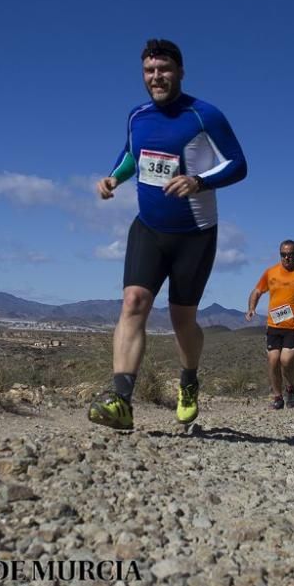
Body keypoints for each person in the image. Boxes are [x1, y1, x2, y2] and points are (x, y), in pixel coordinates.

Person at [88, 39, 248, 430]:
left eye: (163, 70)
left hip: (194, 234)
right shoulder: (137, 115)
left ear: (179, 72)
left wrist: (197, 181)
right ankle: (121, 401)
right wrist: (114, 177)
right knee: (134, 303)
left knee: (182, 320)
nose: (156, 77)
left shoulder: (204, 114)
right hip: (149, 228)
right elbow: (131, 155)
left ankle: (189, 379)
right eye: (149, 71)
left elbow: (238, 164)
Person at [245, 240, 294, 409]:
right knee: (273, 360)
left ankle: (291, 387)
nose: (287, 258)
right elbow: (257, 291)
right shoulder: (271, 272)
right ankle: (277, 396)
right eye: (283, 254)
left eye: (291, 254)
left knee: (286, 361)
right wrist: (251, 308)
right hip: (274, 325)